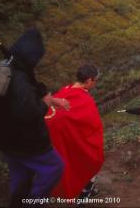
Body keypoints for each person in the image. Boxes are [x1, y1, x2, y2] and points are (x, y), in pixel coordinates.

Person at [0, 28, 69, 207]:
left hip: (5, 139)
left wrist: (48, 98)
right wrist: (46, 104)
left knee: (21, 174)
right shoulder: (20, 83)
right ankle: (32, 202)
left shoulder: (8, 67)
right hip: (26, 142)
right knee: (54, 168)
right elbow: (28, 112)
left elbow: (32, 84)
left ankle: (17, 202)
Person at [44, 64, 104, 199]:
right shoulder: (85, 100)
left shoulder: (65, 89)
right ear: (89, 81)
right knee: (92, 159)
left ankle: (84, 188)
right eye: (95, 80)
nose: (96, 83)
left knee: (70, 164)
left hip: (55, 137)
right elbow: (93, 126)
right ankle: (85, 192)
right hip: (70, 137)